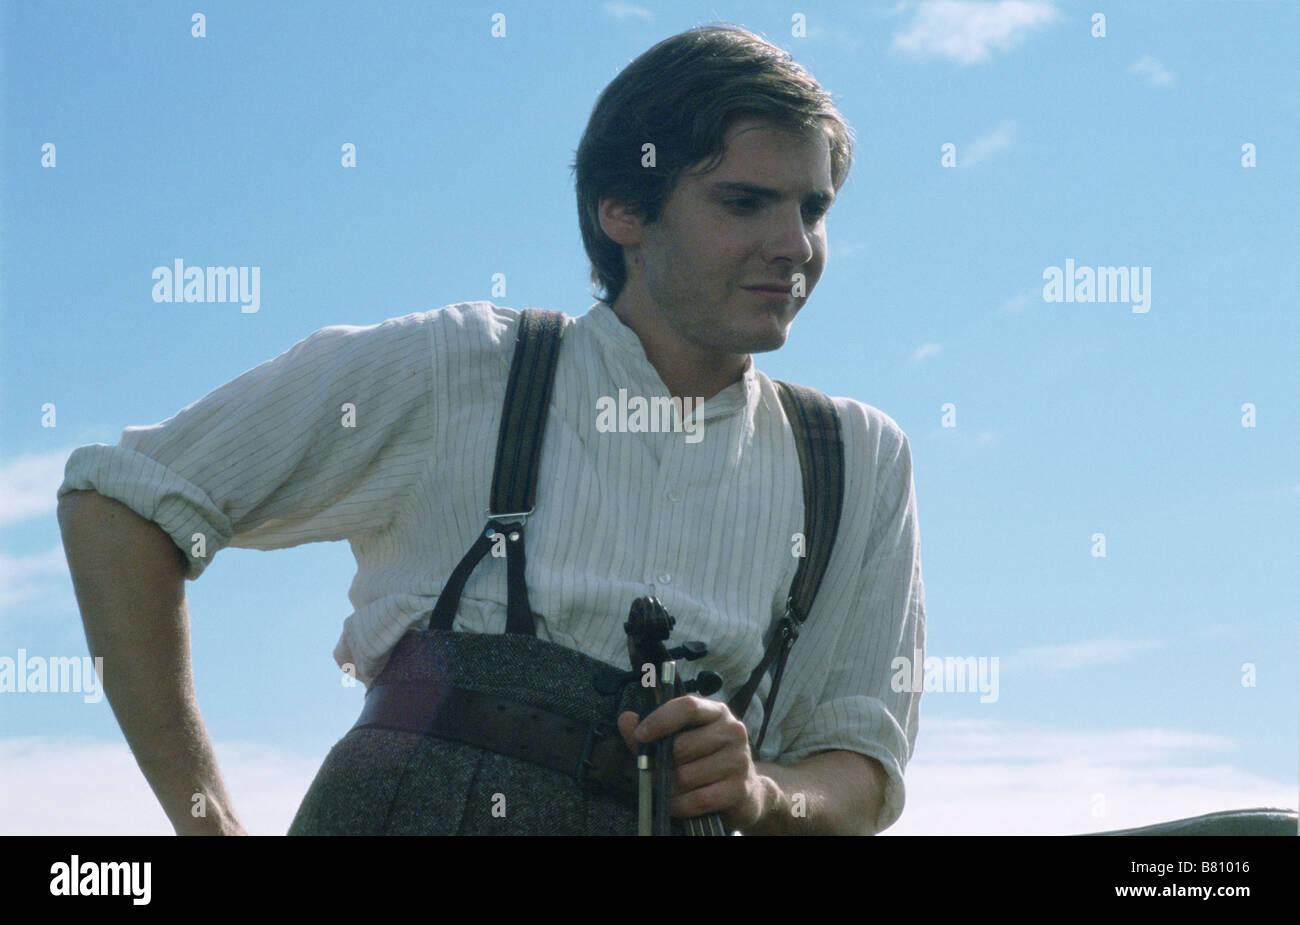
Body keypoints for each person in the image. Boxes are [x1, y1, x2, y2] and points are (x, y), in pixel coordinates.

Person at [56, 23, 925, 836]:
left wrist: (763, 791)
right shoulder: (463, 364)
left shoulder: (855, 458)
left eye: (813, 209)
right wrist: (208, 821)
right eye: (745, 202)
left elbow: (864, 762)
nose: (795, 245)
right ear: (622, 208)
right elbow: (122, 501)